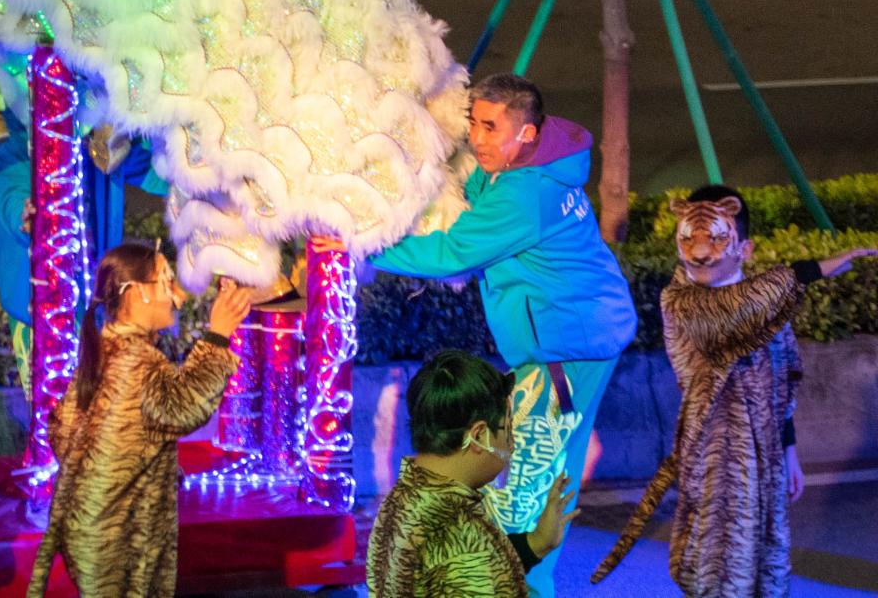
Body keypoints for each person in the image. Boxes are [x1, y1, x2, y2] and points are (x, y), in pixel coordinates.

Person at [370, 75, 637, 598]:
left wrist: (364, 243)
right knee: (547, 465)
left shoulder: (525, 193)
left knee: (531, 478)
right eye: (474, 122)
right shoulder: (533, 161)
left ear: (528, 132)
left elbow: (451, 253)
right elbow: (472, 188)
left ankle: (526, 587)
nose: (478, 137)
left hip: (563, 349)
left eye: (491, 127)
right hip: (579, 337)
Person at [594, 189, 876, 596]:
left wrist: (789, 449)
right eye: (688, 238)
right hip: (716, 454)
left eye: (715, 238)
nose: (700, 252)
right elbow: (731, 311)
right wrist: (807, 270)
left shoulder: (767, 303)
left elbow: (783, 377)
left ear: (745, 248)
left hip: (765, 453)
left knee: (767, 558)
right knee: (719, 560)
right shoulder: (681, 301)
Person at [25, 243, 254, 598]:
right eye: (165, 283)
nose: (175, 297)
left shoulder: (108, 352)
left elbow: (64, 431)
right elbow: (185, 407)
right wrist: (218, 334)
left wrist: (138, 457)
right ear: (135, 293)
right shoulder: (136, 362)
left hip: (91, 531)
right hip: (119, 539)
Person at [367, 350, 580, 598]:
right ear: (479, 436)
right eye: (507, 428)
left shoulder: (404, 499)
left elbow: (470, 565)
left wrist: (535, 544)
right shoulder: (455, 529)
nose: (511, 445)